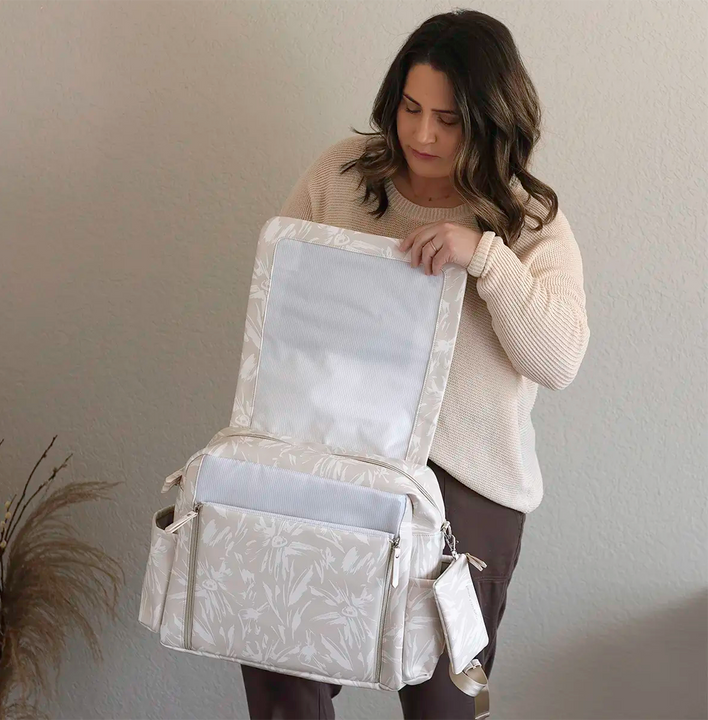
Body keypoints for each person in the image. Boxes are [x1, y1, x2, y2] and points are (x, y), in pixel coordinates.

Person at [240, 8, 590, 720]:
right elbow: (280, 302)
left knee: (441, 704)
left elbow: (559, 359)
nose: (422, 135)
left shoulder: (525, 218)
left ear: (491, 120)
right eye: (409, 108)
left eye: (449, 119)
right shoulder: (342, 175)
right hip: (336, 461)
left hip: (466, 485)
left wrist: (483, 257)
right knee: (279, 664)